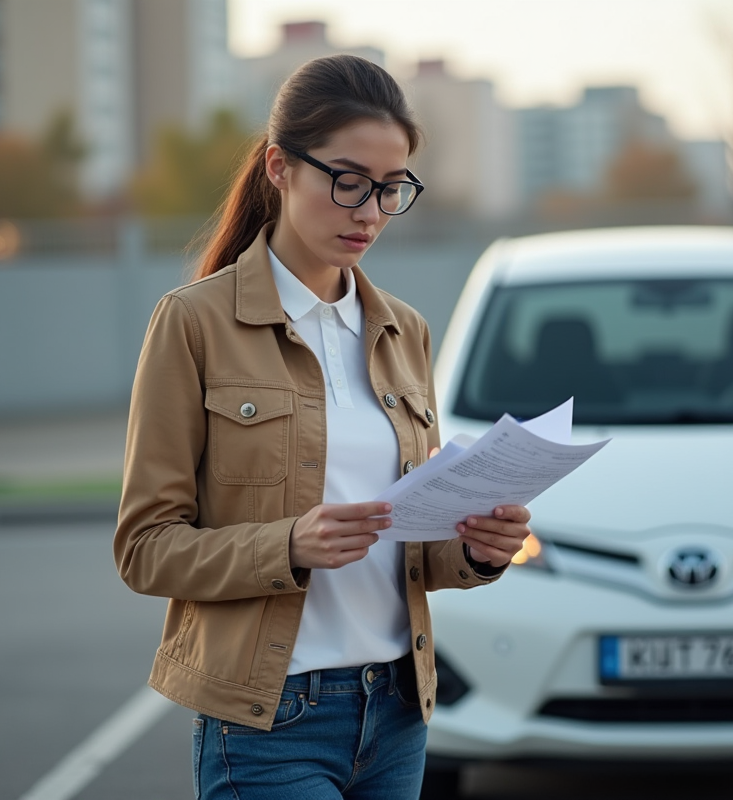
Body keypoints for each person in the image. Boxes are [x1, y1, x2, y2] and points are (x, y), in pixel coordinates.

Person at [113, 54, 532, 800]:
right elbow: (146, 550)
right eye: (348, 181)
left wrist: (475, 550)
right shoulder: (194, 324)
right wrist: (288, 545)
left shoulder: (406, 332)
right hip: (271, 722)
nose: (370, 211)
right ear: (279, 167)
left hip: (398, 712)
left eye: (391, 187)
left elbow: (409, 547)